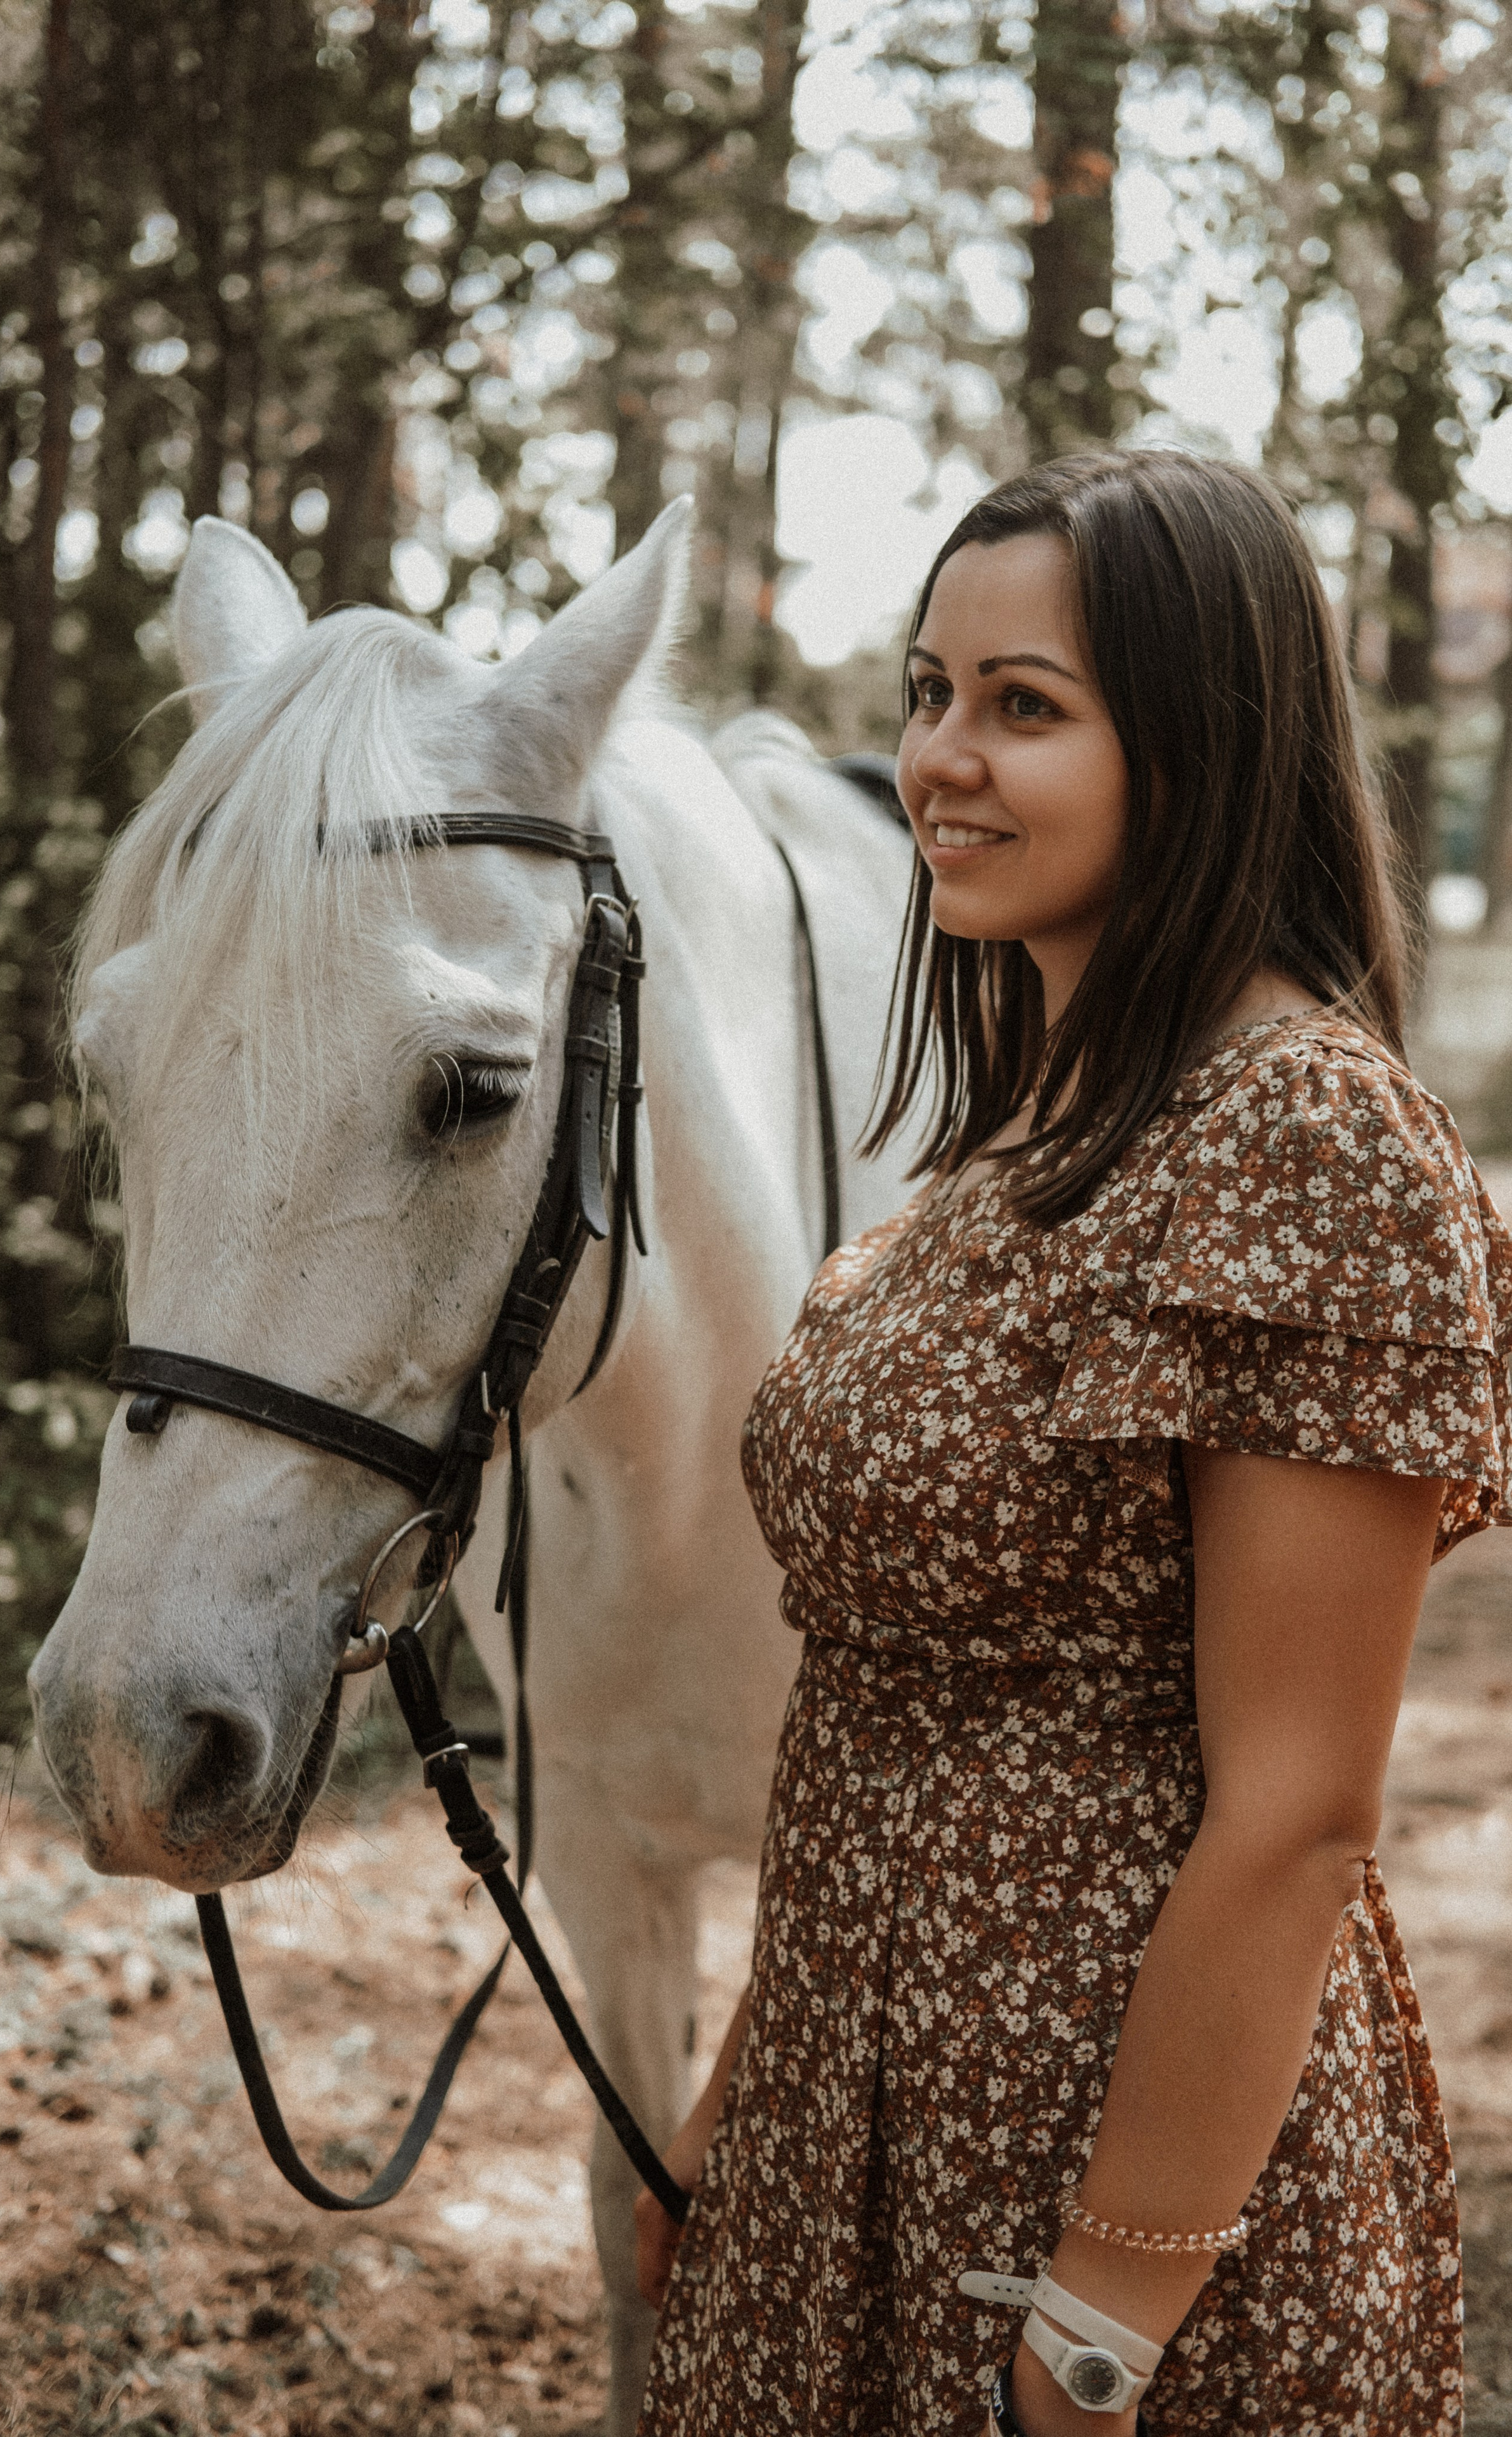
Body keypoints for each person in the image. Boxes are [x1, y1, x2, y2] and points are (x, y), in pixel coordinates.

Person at [633, 450, 1511, 2436]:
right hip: (850, 2124)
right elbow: (885, 1709)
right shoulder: (1024, 1131)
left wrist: (1105, 2314)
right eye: (929, 691)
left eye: (1025, 706)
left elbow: (1299, 1811)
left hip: (1109, 2188)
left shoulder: (1302, 1133)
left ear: (1201, 753)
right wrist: (748, 2092)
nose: (940, 758)